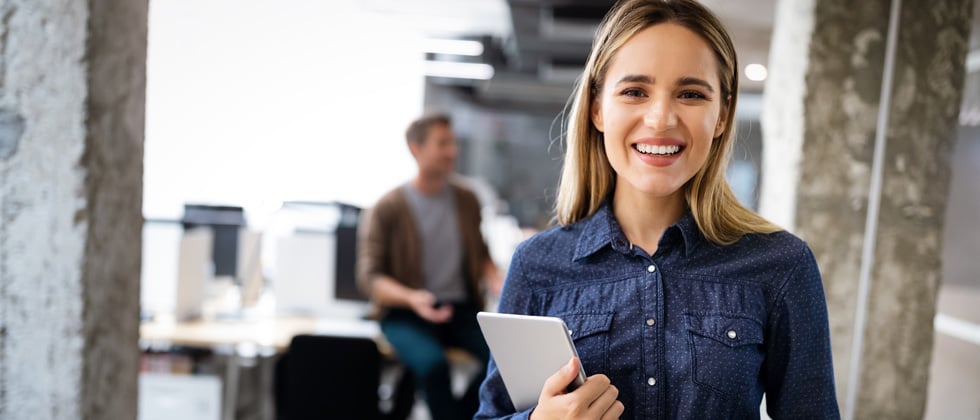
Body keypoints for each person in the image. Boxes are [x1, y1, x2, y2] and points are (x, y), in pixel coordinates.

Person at [476, 0, 839, 419]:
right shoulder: (537, 265)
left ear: (721, 114)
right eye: (634, 92)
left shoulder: (781, 265)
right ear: (597, 109)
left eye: (690, 94)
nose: (661, 118)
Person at [357, 113, 501, 420]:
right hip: (407, 313)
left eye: (453, 143)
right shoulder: (387, 207)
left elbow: (480, 251)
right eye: (442, 143)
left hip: (460, 310)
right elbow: (370, 277)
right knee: (434, 367)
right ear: (416, 148)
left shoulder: (466, 199)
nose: (452, 151)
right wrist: (412, 298)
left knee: (505, 360)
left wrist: (496, 276)